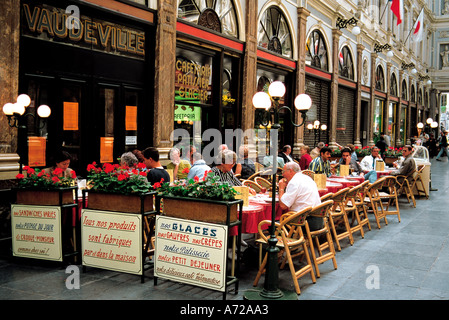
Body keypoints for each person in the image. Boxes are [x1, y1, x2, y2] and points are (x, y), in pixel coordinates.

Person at [278, 162, 322, 231]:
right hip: (318, 219)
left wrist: (281, 189)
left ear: (290, 171)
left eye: (283, 171)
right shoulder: (307, 178)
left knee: (272, 226)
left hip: (304, 222)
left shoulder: (294, 182)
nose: (282, 174)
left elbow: (283, 205)